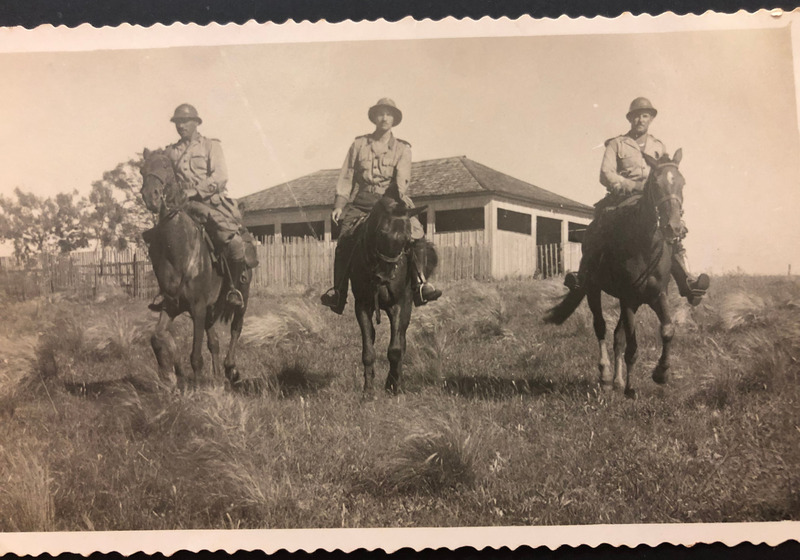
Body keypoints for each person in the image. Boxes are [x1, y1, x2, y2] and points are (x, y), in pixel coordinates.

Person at [564, 97, 710, 305]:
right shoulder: (616, 144)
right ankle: (583, 276)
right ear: (630, 119)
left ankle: (686, 280)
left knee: (673, 229)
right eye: (636, 116)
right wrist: (631, 186)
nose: (640, 120)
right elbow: (606, 174)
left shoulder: (658, 146)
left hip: (652, 201)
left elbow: (665, 172)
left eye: (645, 116)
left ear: (651, 119)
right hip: (622, 199)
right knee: (600, 228)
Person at [320, 98, 442, 314]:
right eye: (381, 113)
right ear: (374, 117)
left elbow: (402, 180)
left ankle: (421, 285)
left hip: (391, 202)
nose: (384, 118)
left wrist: (393, 202)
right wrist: (339, 204)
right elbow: (347, 176)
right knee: (345, 238)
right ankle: (338, 292)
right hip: (363, 202)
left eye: (389, 114)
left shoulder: (403, 148)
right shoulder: (358, 145)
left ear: (394, 119)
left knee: (417, 232)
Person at [149, 103, 258, 311]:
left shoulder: (210, 146)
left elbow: (221, 177)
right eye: (177, 122)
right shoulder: (170, 152)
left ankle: (233, 289)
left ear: (196, 123)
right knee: (155, 244)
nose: (181, 126)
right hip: (180, 207)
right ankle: (167, 293)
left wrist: (196, 191)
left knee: (234, 242)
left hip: (209, 203)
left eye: (185, 121)